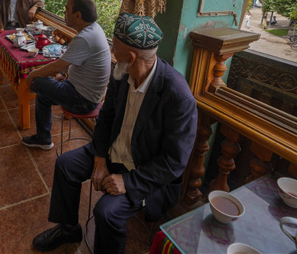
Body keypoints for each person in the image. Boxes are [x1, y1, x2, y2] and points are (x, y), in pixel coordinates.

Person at [31, 13, 198, 253]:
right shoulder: (122, 72)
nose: (111, 51)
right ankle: (69, 229)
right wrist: (100, 159)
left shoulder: (177, 96)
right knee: (66, 165)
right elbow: (106, 118)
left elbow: (174, 162)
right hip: (112, 152)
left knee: (106, 212)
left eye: (115, 47)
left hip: (143, 170)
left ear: (131, 57)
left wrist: (128, 181)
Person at [22, 0, 111, 150]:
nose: (64, 13)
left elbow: (58, 66)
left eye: (67, 9)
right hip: (82, 91)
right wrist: (62, 75)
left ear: (78, 15)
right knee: (43, 95)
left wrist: (32, 74)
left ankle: (43, 138)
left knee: (39, 81)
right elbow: (68, 65)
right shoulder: (94, 29)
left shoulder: (85, 37)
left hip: (83, 101)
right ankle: (43, 139)